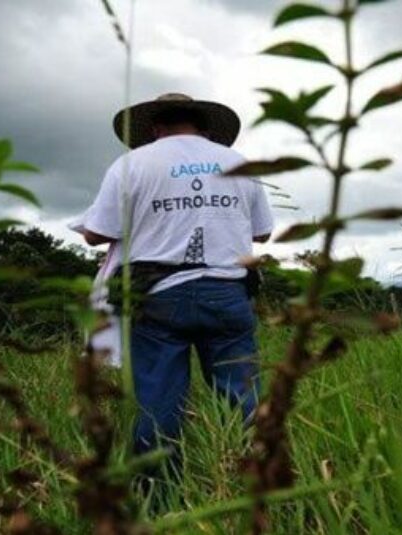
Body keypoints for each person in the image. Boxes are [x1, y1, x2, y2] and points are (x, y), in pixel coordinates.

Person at [79, 93, 273, 495]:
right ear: (204, 126)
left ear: (154, 128)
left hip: (156, 296)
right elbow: (262, 231)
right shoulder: (239, 164)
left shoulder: (132, 164)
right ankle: (263, 491)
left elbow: (97, 233)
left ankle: (157, 500)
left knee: (157, 403)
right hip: (228, 292)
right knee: (244, 399)